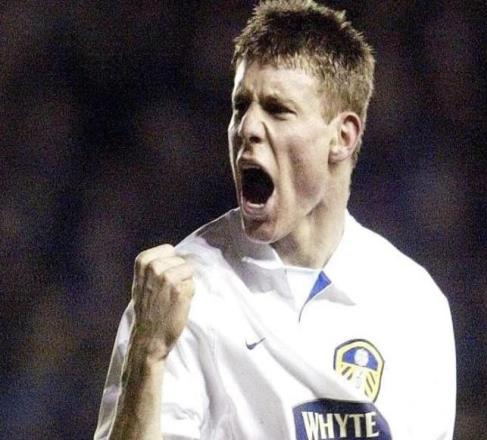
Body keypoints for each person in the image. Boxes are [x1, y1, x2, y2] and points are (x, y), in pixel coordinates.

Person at [95, 1, 456, 439]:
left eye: (277, 109)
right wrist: (148, 355)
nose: (247, 127)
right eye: (240, 106)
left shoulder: (413, 304)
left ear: (342, 137)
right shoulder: (185, 294)